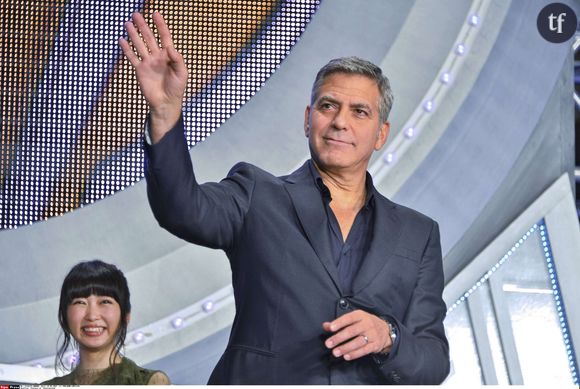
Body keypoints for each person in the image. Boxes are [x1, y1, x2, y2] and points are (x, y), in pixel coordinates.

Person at [119, 12, 449, 384]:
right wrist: (165, 114)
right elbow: (181, 209)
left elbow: (433, 360)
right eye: (328, 106)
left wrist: (388, 337)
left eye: (360, 112)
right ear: (308, 119)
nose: (341, 121)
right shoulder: (257, 194)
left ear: (381, 134)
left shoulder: (418, 234)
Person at [42, 260, 170, 385]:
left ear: (125, 316)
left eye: (105, 302)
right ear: (64, 316)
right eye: (80, 302)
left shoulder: (151, 382)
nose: (92, 316)